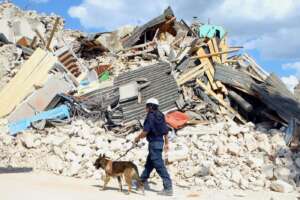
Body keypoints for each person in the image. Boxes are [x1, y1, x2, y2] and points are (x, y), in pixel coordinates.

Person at [134, 98, 173, 196]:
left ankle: (168, 188)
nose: (145, 108)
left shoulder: (150, 116)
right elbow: (165, 131)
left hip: (154, 144)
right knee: (149, 164)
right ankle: (141, 182)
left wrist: (137, 138)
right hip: (159, 143)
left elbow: (145, 131)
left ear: (150, 106)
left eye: (146, 106)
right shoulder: (161, 115)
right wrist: (166, 143)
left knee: (159, 166)